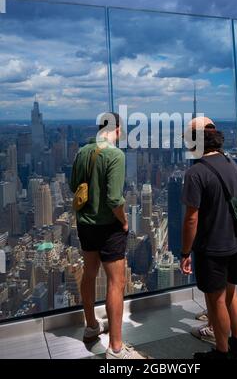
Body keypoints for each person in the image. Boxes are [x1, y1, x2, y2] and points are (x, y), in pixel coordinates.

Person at [70, 112, 147, 359]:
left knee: (89, 273)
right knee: (116, 282)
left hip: (85, 223)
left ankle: (91, 326)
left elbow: (74, 186)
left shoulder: (83, 152)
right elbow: (115, 199)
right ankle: (115, 348)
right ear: (116, 129)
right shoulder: (115, 154)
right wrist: (124, 222)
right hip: (108, 227)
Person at [181, 117, 237, 359]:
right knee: (231, 294)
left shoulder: (196, 173)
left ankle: (222, 352)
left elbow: (191, 219)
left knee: (216, 299)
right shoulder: (232, 162)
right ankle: (236, 346)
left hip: (213, 248)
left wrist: (185, 252)